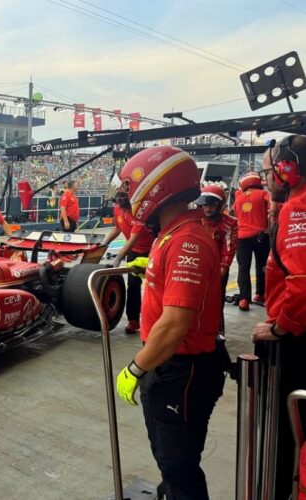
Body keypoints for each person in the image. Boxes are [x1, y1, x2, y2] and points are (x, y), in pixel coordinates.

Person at [114, 146, 225, 500]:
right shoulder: (173, 234)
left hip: (182, 370)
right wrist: (151, 268)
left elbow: (176, 323)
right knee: (170, 461)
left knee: (179, 467)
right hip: (172, 368)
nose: (129, 198)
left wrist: (136, 367)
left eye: (132, 190)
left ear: (155, 189)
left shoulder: (185, 240)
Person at [251, 135, 306, 499]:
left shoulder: (297, 209)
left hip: (297, 342)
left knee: (287, 436)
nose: (268, 176)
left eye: (270, 169)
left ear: (288, 168)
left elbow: (301, 283)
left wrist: (280, 326)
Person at [100, 176, 154, 334]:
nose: (119, 199)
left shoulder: (138, 211)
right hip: (134, 251)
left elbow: (133, 238)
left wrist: (119, 256)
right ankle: (134, 320)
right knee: (133, 285)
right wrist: (103, 244)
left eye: (123, 196)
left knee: (154, 285)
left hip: (150, 251)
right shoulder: (117, 208)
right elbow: (117, 228)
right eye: (117, 196)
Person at [197, 183, 238, 338]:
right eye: (205, 205)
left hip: (218, 268)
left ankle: (217, 330)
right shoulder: (195, 220)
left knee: (216, 300)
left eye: (212, 205)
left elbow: (229, 248)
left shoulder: (229, 223)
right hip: (196, 265)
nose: (208, 209)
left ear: (220, 205)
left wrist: (222, 268)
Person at [233, 172, 270, 310]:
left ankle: (244, 299)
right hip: (260, 235)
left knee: (243, 268)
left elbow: (235, 213)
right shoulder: (263, 194)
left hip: (242, 238)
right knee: (262, 267)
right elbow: (272, 205)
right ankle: (259, 295)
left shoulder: (238, 198)